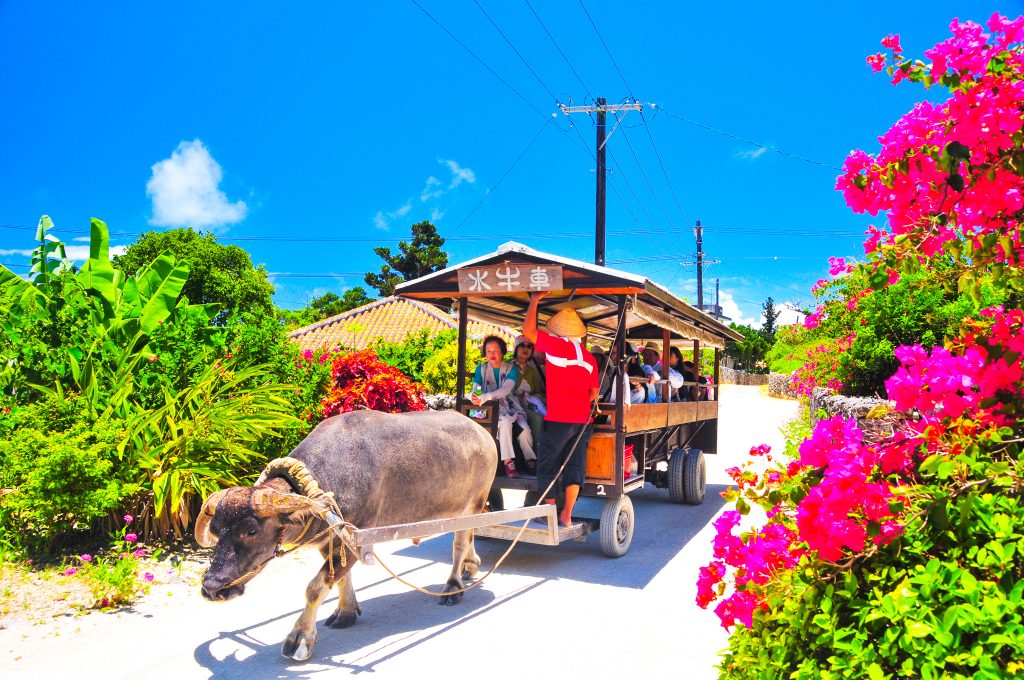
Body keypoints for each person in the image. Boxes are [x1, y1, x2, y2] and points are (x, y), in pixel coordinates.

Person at [524, 292, 599, 527]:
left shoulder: (556, 346)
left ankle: (548, 513)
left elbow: (529, 332)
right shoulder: (589, 358)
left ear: (558, 332)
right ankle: (566, 514)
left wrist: (534, 301)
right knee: (575, 465)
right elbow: (593, 393)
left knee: (548, 463)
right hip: (582, 420)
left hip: (559, 419)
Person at [470, 335, 537, 477]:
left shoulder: (511, 369)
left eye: (495, 350)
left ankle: (530, 459)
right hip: (487, 409)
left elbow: (506, 389)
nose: (492, 354)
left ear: (502, 352)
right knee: (505, 422)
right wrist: (476, 396)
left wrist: (486, 396)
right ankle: (508, 462)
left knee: (524, 428)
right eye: (488, 351)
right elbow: (476, 389)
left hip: (510, 406)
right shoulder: (480, 369)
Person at [511, 334, 546, 456]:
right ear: (516, 348)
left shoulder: (531, 370)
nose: (526, 349)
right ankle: (532, 457)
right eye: (522, 346)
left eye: (529, 346)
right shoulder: (508, 366)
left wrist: (530, 397)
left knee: (539, 417)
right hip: (512, 406)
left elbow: (537, 391)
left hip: (527, 406)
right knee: (535, 419)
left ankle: (538, 455)